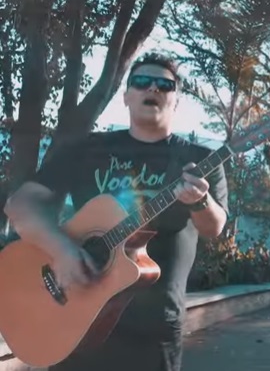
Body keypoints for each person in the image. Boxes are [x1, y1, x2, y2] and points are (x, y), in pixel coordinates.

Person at [3, 53, 229, 371]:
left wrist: (200, 201)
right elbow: (20, 205)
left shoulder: (199, 160)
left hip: (153, 330)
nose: (152, 88)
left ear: (176, 101)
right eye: (141, 81)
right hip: (72, 318)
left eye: (164, 85)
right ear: (126, 96)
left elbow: (214, 227)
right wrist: (63, 250)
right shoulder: (87, 149)